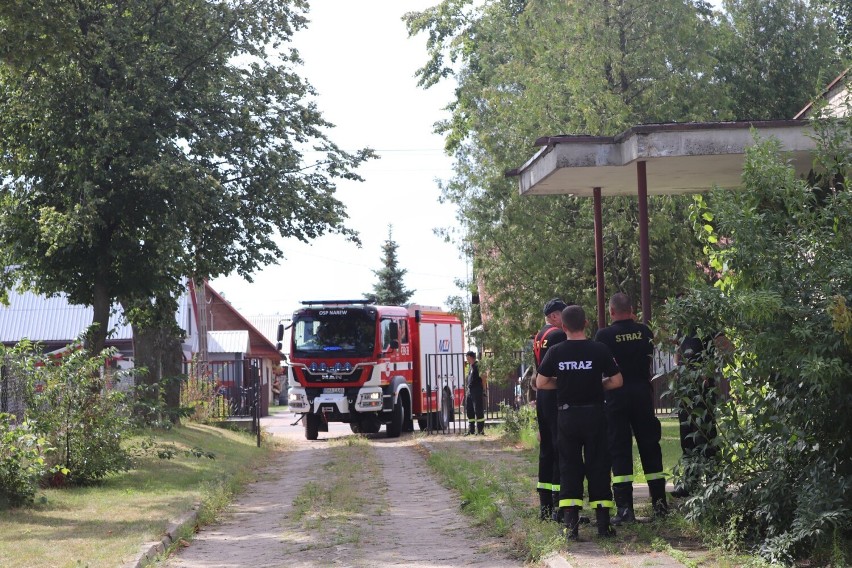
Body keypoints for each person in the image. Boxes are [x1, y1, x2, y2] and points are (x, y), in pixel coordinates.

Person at [537, 304, 624, 540]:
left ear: (563, 326)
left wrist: (564, 382)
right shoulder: (599, 350)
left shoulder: (555, 352)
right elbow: (617, 381)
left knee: (569, 468)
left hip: (567, 417)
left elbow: (541, 383)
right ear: (586, 324)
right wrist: (598, 384)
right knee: (599, 465)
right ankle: (603, 526)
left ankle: (571, 528)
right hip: (595, 415)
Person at [593, 293, 668, 523]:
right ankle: (659, 504)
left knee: (619, 449)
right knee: (650, 446)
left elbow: (602, 367)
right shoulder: (644, 331)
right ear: (632, 310)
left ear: (611, 312)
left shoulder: (604, 335)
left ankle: (625, 508)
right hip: (642, 395)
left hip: (616, 397)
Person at [671, 330, 731, 497]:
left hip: (703, 392)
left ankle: (714, 482)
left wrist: (709, 368)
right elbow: (678, 355)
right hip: (685, 390)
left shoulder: (707, 326)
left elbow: (727, 349)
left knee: (706, 436)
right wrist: (678, 370)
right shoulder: (682, 329)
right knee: (687, 436)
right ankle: (690, 482)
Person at [533, 298, 568, 521]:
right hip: (554, 394)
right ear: (555, 316)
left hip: (542, 395)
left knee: (546, 449)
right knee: (559, 448)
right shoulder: (557, 335)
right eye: (563, 314)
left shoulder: (539, 336)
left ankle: (545, 504)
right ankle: (558, 504)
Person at [464, 351, 485, 435]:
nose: (466, 359)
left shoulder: (477, 366)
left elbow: (483, 377)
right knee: (470, 410)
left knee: (478, 410)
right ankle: (471, 430)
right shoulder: (471, 367)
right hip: (470, 391)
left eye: (467, 357)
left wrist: (482, 389)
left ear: (469, 357)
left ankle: (480, 430)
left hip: (477, 390)